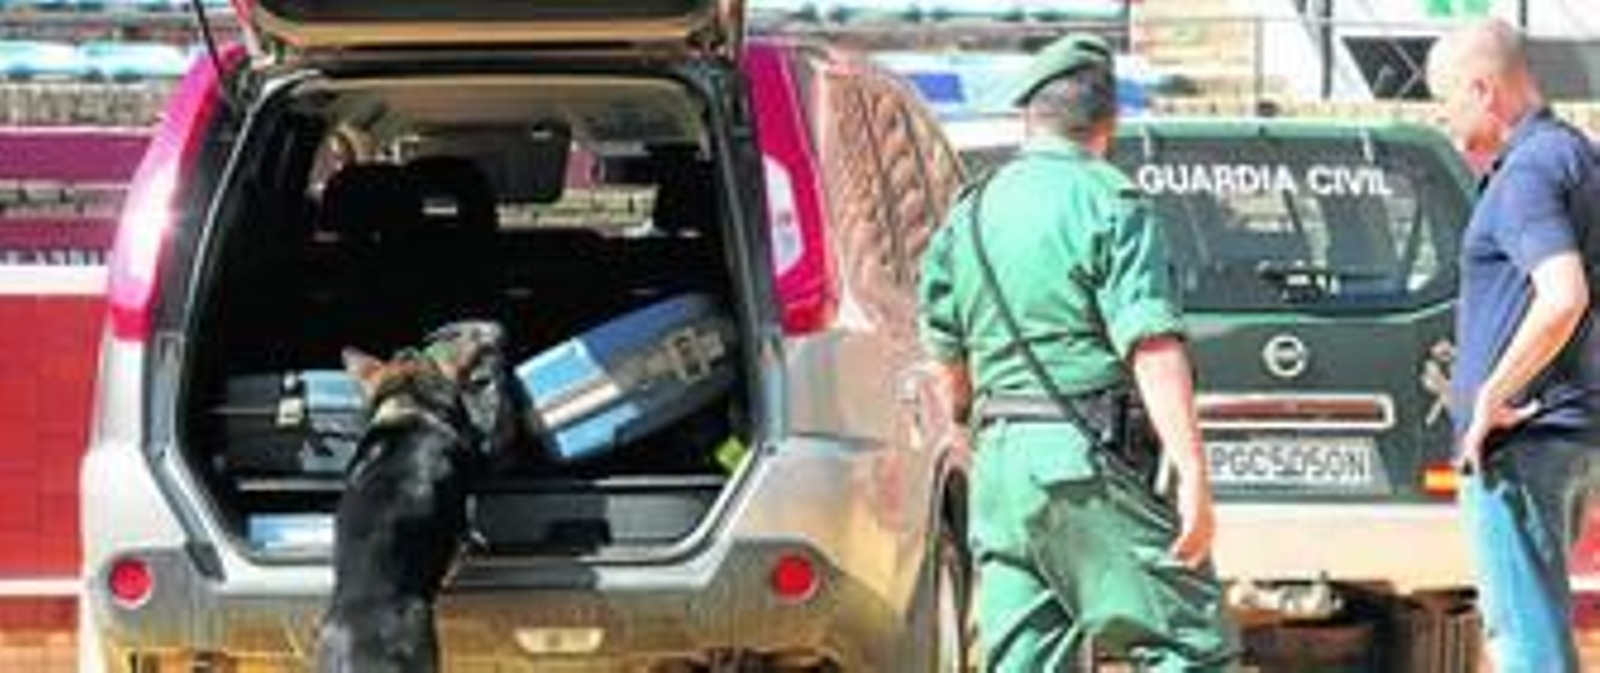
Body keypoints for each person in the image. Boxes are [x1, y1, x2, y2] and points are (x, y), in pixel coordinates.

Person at [917, 33, 1236, 671]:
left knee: (1025, 659)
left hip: (1002, 471)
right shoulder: (1109, 201)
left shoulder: (971, 212)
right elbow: (1151, 345)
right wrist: (1193, 470)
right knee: (1191, 643)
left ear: (1028, 118)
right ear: (1108, 123)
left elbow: (946, 367)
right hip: (1081, 465)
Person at [1426, 18, 1600, 672]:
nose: (1441, 115)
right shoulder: (1576, 155)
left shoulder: (1527, 171)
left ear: (1483, 89)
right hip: (1569, 428)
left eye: (1446, 98)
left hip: (1522, 440)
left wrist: (1492, 396)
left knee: (1526, 642)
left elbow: (1563, 293)